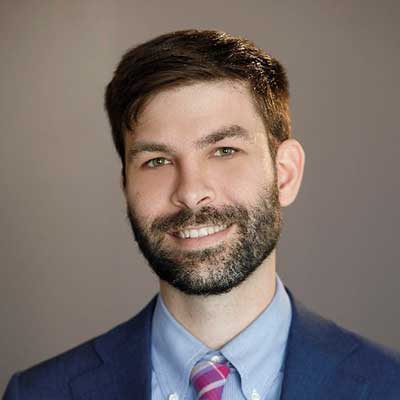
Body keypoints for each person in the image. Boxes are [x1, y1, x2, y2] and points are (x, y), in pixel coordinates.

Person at [4, 29, 400, 400]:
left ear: (285, 174)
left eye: (224, 151)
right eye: (157, 160)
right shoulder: (38, 393)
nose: (191, 193)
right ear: (125, 187)